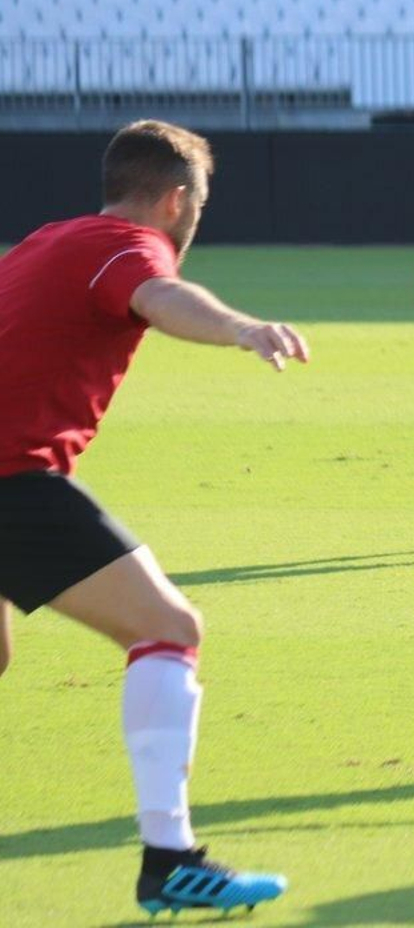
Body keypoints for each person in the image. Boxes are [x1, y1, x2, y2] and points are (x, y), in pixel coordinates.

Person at [0, 120, 309, 914]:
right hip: (9, 477)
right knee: (169, 627)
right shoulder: (129, 246)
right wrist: (242, 328)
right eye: (196, 208)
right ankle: (171, 860)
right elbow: (162, 295)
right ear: (176, 201)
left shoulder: (46, 240)